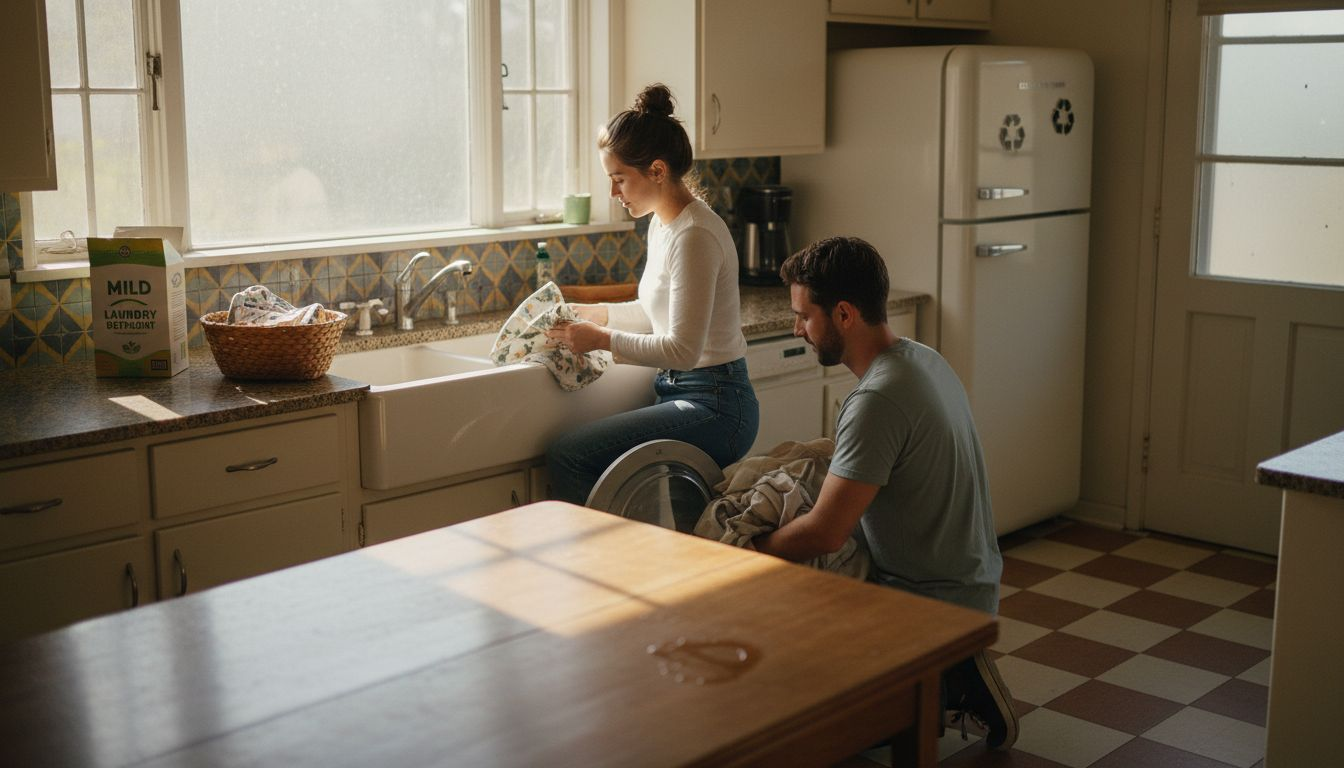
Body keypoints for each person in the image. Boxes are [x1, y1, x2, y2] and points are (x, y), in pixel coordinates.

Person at [753, 236, 1017, 750]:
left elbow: (827, 534)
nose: (797, 329)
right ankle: (944, 678)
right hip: (972, 583)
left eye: (805, 317)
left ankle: (940, 682)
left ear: (845, 315)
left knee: (808, 708)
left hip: (928, 602)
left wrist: (754, 554)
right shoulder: (922, 360)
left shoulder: (876, 399)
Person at [544, 84, 759, 506]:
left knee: (569, 455)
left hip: (715, 404)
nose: (613, 193)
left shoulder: (695, 234)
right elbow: (655, 311)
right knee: (688, 535)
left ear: (657, 171)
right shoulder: (664, 223)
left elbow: (681, 349)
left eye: (619, 179)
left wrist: (600, 339)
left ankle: (593, 567)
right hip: (684, 392)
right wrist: (599, 314)